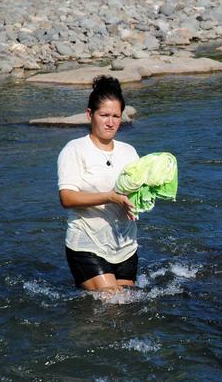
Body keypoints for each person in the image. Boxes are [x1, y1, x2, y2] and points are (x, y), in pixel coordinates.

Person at [57, 76, 140, 291]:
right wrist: (110, 196)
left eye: (116, 116)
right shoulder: (75, 150)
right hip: (87, 243)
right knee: (112, 304)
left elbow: (136, 192)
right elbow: (66, 198)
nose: (110, 122)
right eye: (104, 115)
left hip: (126, 245)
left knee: (126, 309)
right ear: (89, 115)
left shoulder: (129, 152)